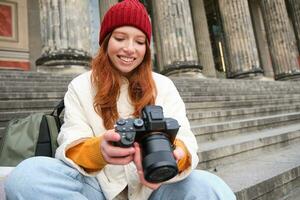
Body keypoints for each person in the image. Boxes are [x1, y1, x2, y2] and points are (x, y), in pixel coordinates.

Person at [4, 0, 236, 199]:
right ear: (105, 41)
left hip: (153, 189)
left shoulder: (163, 85)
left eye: (139, 41)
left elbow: (185, 139)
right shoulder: (81, 85)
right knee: (26, 177)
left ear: (147, 47)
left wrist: (177, 156)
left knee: (212, 189)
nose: (129, 49)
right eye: (120, 38)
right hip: (96, 186)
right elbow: (70, 140)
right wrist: (100, 150)